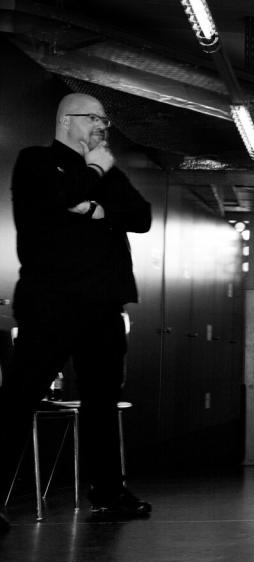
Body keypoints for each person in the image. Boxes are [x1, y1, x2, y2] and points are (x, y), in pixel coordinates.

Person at [0, 93, 152, 533]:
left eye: (106, 120)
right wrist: (94, 174)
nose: (103, 127)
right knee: (19, 399)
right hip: (51, 303)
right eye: (95, 119)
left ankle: (108, 495)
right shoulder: (36, 161)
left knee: (102, 403)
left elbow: (140, 215)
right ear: (67, 120)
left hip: (103, 306)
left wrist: (94, 208)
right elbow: (55, 200)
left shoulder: (105, 172)